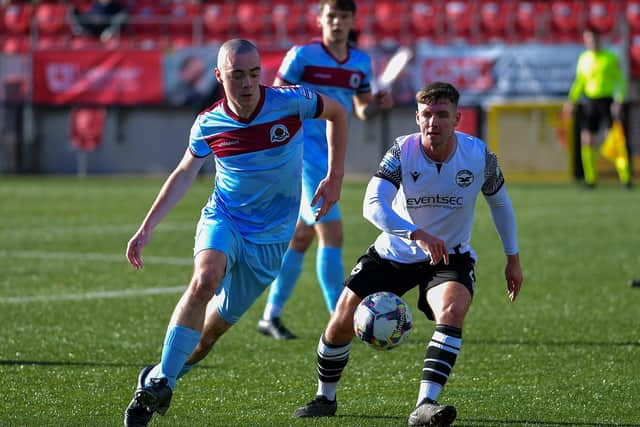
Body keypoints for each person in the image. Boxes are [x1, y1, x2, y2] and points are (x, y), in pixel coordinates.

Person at [123, 39, 348, 427]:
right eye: (237, 75)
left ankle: (160, 378)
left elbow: (338, 113)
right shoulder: (209, 122)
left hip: (271, 241)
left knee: (208, 337)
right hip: (225, 219)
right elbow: (182, 174)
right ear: (219, 76)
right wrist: (145, 228)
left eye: (253, 73)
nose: (247, 83)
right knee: (205, 279)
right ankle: (154, 389)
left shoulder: (290, 101)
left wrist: (335, 176)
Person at [293, 82, 523, 426]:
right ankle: (325, 397)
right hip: (394, 252)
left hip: (450, 256)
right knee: (341, 319)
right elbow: (373, 205)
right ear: (417, 117)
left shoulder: (479, 157)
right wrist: (415, 233)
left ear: (457, 118)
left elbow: (500, 204)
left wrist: (513, 258)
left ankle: (425, 405)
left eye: (442, 115)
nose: (434, 122)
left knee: (453, 308)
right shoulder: (402, 151)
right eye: (427, 114)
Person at [257, 0, 394, 340]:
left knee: (302, 238)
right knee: (332, 234)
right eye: (331, 16)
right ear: (320, 20)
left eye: (343, 17)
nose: (337, 22)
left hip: (331, 155)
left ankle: (270, 316)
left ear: (352, 22)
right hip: (300, 154)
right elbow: (275, 98)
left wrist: (376, 104)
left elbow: (362, 110)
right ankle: (340, 316)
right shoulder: (302, 56)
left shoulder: (361, 62)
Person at [563, 26, 629, 189]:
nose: (590, 42)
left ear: (599, 39)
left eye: (593, 39)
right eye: (587, 39)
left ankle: (625, 178)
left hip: (607, 102)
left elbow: (620, 80)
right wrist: (571, 101)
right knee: (586, 140)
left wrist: (619, 100)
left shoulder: (610, 58)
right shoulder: (584, 58)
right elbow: (580, 82)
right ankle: (590, 179)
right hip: (590, 102)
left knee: (613, 141)